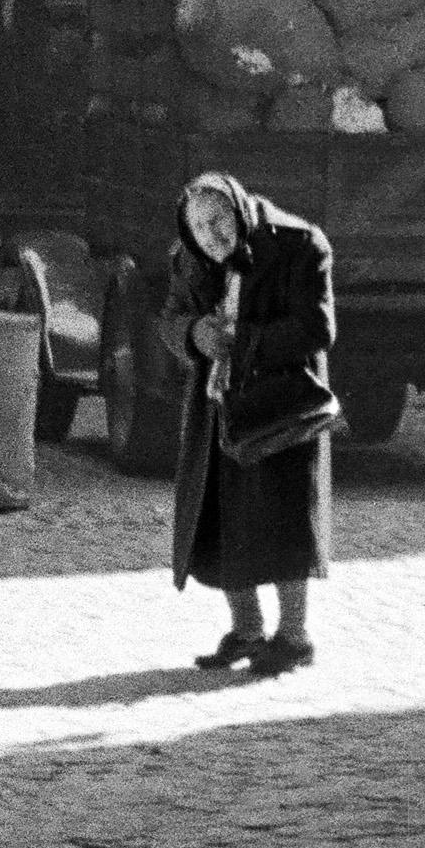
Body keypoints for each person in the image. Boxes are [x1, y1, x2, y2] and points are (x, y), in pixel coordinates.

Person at [166, 169, 335, 676]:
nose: (209, 236)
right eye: (198, 227)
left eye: (218, 222)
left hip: (280, 404)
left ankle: (294, 637)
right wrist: (195, 333)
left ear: (239, 211)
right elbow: (168, 319)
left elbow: (317, 329)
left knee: (284, 516)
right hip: (217, 406)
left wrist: (244, 341)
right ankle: (245, 630)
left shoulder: (301, 244)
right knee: (220, 518)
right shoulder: (189, 257)